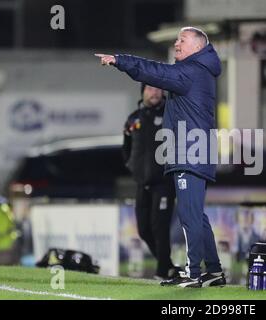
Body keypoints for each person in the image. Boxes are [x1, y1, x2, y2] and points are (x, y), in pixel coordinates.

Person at [96, 26, 225, 288]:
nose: (176, 43)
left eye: (182, 40)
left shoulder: (190, 71)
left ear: (198, 47)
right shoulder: (197, 70)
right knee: (196, 214)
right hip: (194, 153)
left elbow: (155, 72)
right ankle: (214, 271)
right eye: (177, 39)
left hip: (190, 154)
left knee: (190, 216)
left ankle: (194, 273)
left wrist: (121, 61)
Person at [122, 83, 181, 281]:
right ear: (143, 92)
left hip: (164, 183)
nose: (154, 92)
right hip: (142, 183)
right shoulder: (133, 119)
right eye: (150, 89)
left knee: (160, 227)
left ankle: (162, 272)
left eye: (157, 89)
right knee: (144, 229)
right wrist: (133, 167)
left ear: (163, 92)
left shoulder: (171, 115)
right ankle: (170, 267)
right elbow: (127, 148)